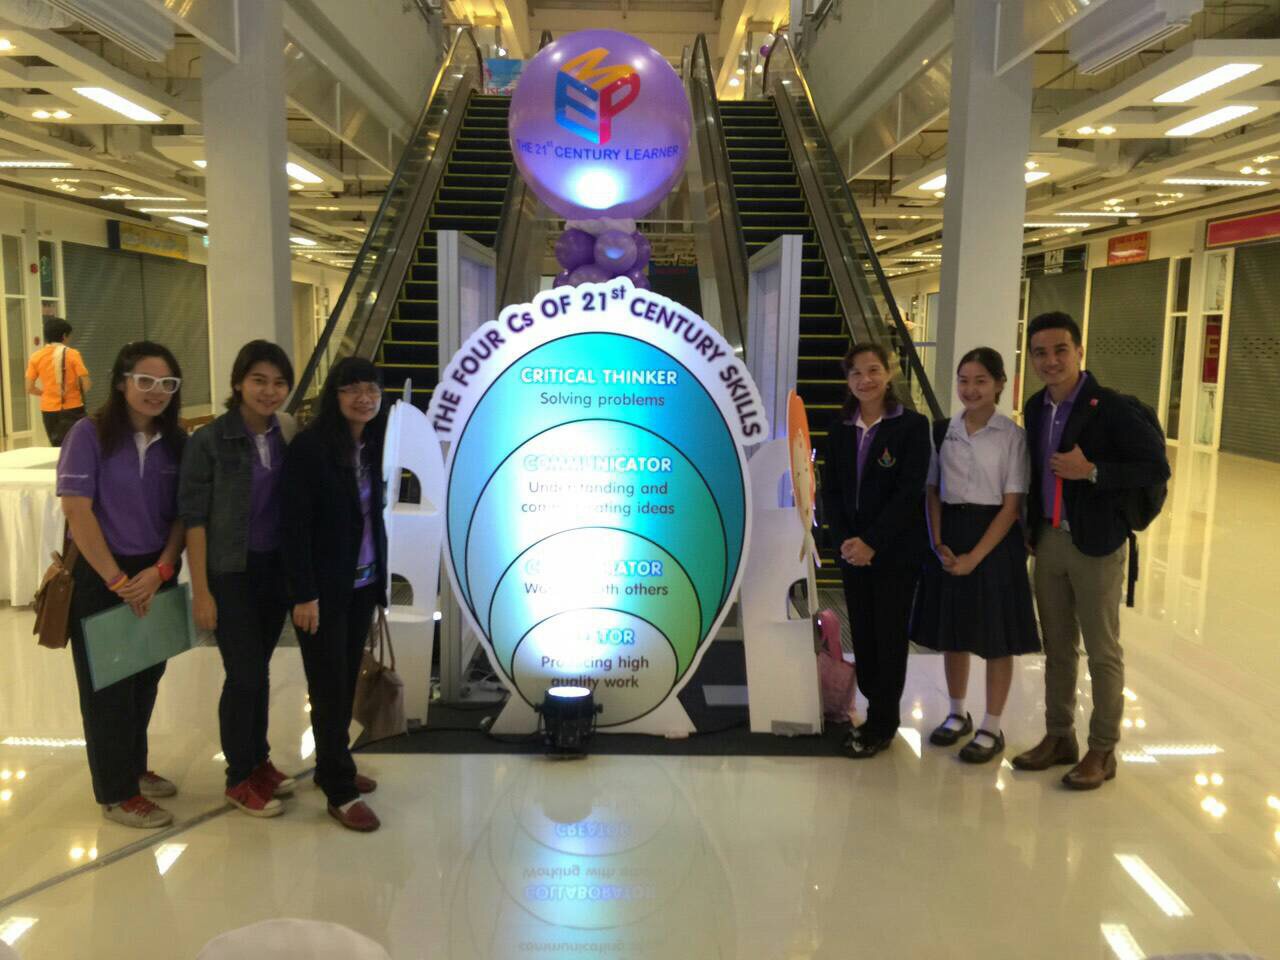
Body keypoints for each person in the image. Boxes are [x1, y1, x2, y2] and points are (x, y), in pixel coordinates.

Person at [1012, 312, 1170, 790]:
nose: (1051, 360)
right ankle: (1059, 735)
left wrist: (1093, 470)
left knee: (1102, 651)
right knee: (1058, 648)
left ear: (1079, 351)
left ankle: (1103, 749)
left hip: (1096, 544)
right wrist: (1030, 526)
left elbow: (1155, 466)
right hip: (1048, 542)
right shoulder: (1036, 406)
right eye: (1040, 352)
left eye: (1060, 350)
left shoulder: (1111, 407)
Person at [56, 341, 186, 828]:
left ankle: (133, 766)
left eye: (167, 383)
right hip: (101, 574)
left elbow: (182, 515)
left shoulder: (176, 442)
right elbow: (77, 510)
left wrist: (162, 570)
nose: (157, 391)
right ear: (120, 382)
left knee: (145, 680)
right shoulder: (88, 434)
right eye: (145, 381)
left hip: (155, 572)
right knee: (108, 690)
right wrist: (116, 579)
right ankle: (116, 793)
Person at [179, 341, 298, 818]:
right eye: (259, 381)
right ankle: (238, 777)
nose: (269, 391)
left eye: (279, 383)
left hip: (274, 570)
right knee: (244, 674)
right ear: (238, 383)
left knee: (259, 671)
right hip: (230, 573)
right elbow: (193, 520)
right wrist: (202, 591)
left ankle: (259, 761)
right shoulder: (209, 441)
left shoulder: (285, 434)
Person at [913, 347, 1039, 764]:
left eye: (981, 381)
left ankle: (992, 725)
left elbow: (1012, 505)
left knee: (997, 637)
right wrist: (938, 542)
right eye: (963, 380)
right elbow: (932, 491)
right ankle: (956, 712)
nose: (970, 389)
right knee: (954, 631)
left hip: (994, 538)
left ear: (1000, 384)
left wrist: (974, 557)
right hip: (950, 531)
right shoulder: (942, 431)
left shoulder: (1012, 436)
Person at [281, 357, 388, 831]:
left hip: (361, 584)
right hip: (322, 592)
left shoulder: (373, 443)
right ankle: (341, 792)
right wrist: (304, 593)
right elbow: (294, 526)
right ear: (335, 394)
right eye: (352, 389)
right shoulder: (311, 448)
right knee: (328, 686)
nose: (364, 398)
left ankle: (332, 765)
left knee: (344, 681)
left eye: (372, 389)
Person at [821, 342, 931, 759]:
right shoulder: (840, 428)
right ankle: (871, 710)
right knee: (864, 634)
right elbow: (832, 491)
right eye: (856, 373)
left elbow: (908, 493)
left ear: (889, 373)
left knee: (888, 636)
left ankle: (884, 722)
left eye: (873, 370)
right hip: (853, 553)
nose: (865, 380)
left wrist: (872, 542)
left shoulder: (911, 426)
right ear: (847, 379)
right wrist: (847, 542)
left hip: (894, 553)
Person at [26, 317, 91, 446]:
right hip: (73, 408)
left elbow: (29, 388)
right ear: (64, 336)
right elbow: (86, 384)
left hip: (48, 410)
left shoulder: (36, 357)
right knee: (76, 445)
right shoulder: (72, 354)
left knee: (56, 446)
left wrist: (46, 393)